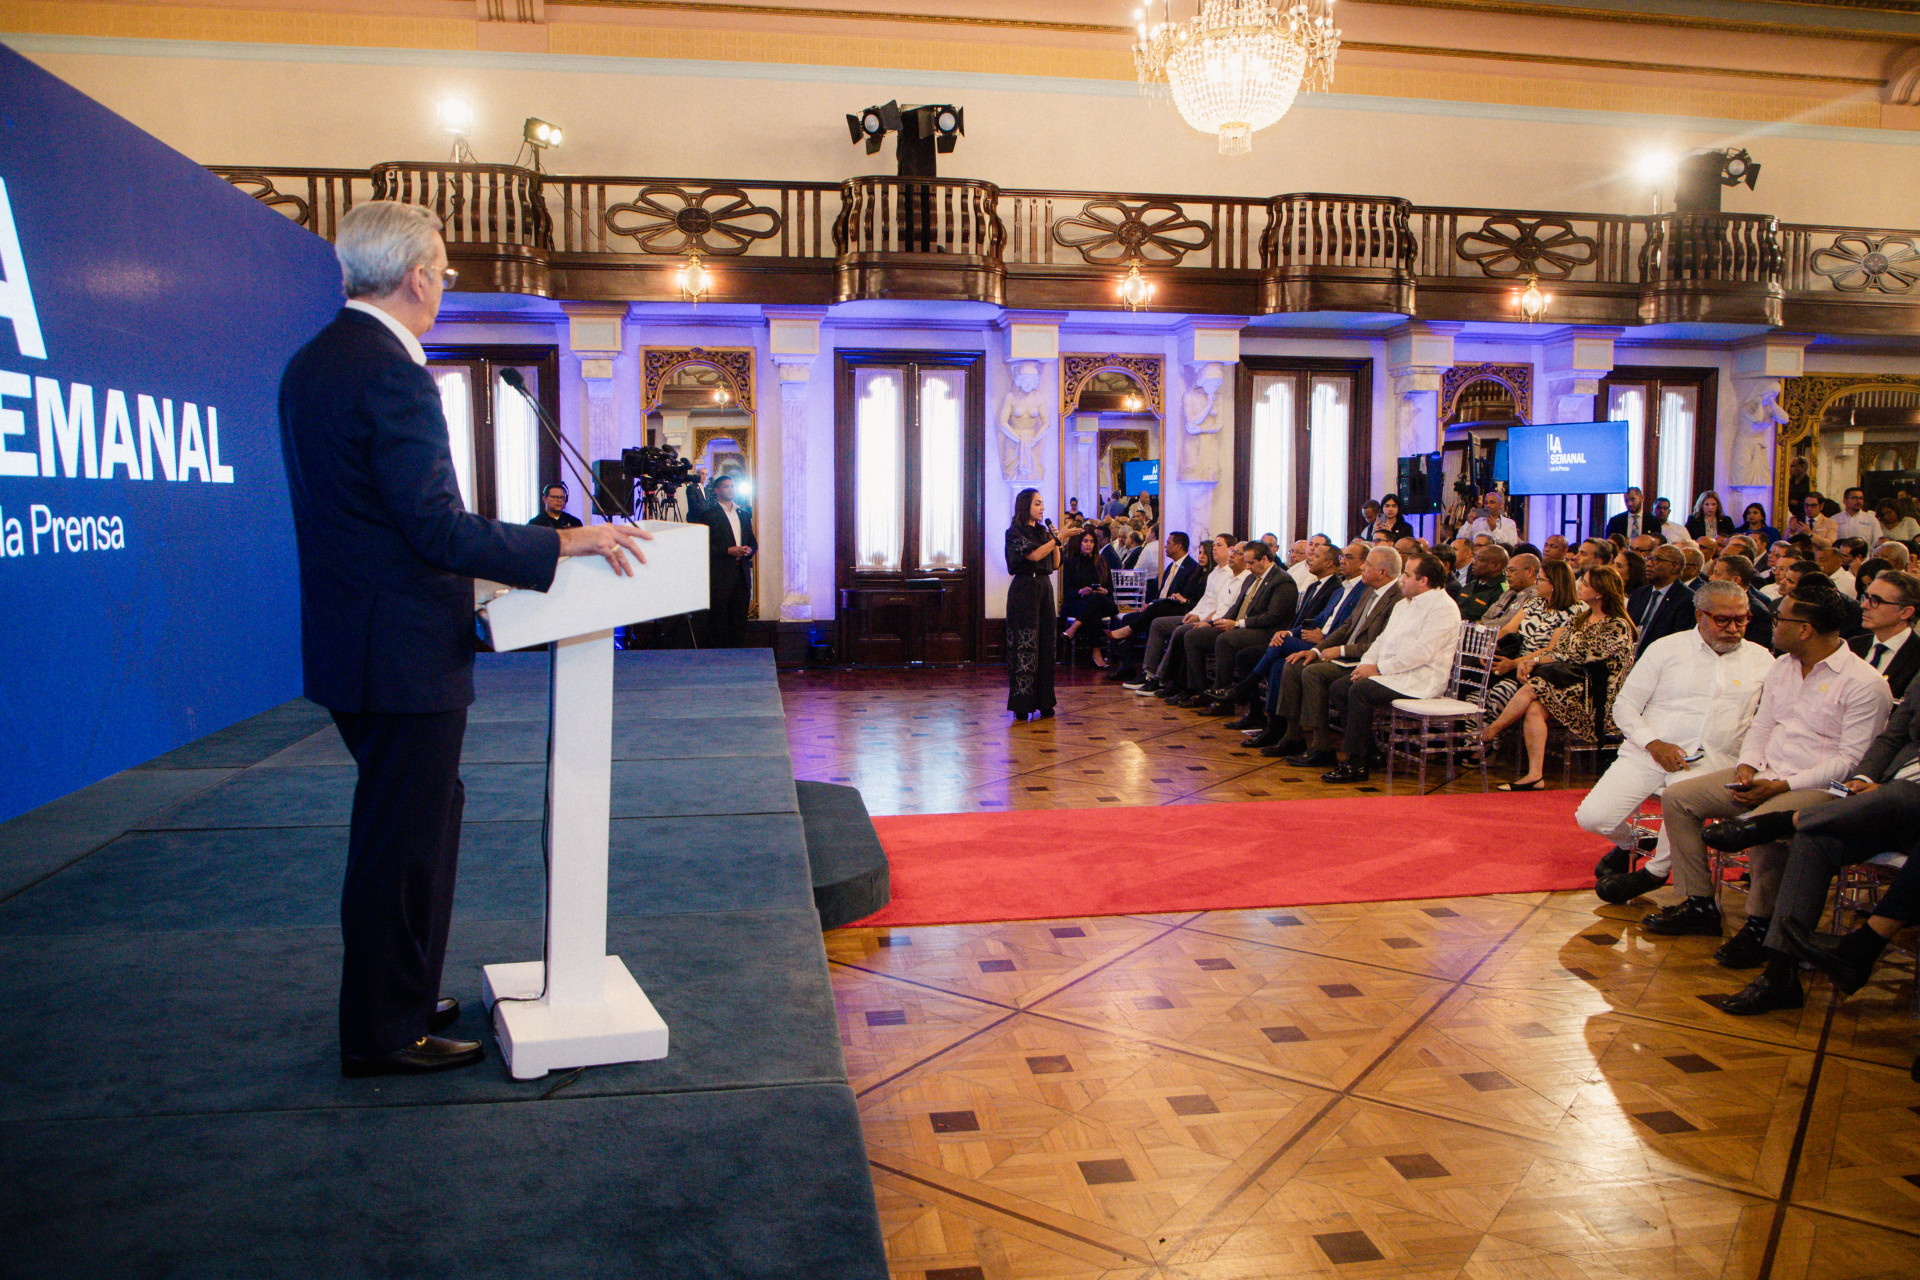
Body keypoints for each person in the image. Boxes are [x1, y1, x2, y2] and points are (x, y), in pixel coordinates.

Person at [279, 202, 649, 1078]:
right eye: (443, 270)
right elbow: (435, 528)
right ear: (417, 276)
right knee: (403, 844)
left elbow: (376, 523)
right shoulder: (393, 374)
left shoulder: (313, 362)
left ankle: (400, 997)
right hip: (402, 653)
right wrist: (565, 541)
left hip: (353, 643)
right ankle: (384, 1033)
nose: (443, 284)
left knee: (412, 825)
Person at [1641, 583, 1892, 958]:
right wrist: (1748, 765)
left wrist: (1781, 785)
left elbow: (1851, 762)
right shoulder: (1783, 666)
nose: (1768, 623)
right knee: (1678, 797)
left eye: (1778, 618)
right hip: (1769, 773)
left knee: (1762, 824)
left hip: (1824, 788)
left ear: (1804, 629)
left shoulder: (1863, 683)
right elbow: (1763, 724)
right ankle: (1699, 904)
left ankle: (1760, 925)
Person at [1697, 671, 1920, 1015]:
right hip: (1889, 805)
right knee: (1816, 838)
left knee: (1901, 794)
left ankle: (1778, 822)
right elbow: (1893, 737)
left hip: (1905, 802)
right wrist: (1863, 778)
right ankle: (1779, 976)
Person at [1585, 580, 1774, 904]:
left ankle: (1654, 873)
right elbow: (1624, 706)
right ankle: (1634, 842)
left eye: (1741, 619)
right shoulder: (1666, 649)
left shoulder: (1762, 659)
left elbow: (1769, 719)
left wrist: (1751, 761)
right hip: (1648, 752)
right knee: (1593, 818)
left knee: (1682, 804)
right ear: (1700, 615)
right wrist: (1653, 743)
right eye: (1723, 620)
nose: (1733, 629)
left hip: (1713, 761)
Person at [1480, 565, 1637, 791]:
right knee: (1534, 708)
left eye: (1585, 584)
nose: (1579, 586)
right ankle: (1535, 776)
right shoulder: (1582, 619)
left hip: (1597, 693)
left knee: (1535, 686)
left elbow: (1581, 656)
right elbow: (1559, 651)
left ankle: (1492, 730)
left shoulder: (1617, 625)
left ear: (1600, 592)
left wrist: (1534, 662)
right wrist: (1531, 661)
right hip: (1571, 684)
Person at [1320, 552, 1462, 784]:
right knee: (1340, 687)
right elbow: (1382, 640)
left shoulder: (1442, 608)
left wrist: (1378, 669)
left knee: (1360, 691)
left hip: (1421, 679)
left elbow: (1422, 653)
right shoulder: (1405, 604)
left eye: (1407, 575)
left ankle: (1356, 764)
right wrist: (1366, 664)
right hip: (1393, 672)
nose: (1402, 579)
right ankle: (1371, 752)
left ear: (1423, 581)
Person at [1255, 546, 1405, 757]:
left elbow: (1379, 644)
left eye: (1368, 564)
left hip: (1365, 661)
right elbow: (1346, 627)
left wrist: (1340, 650)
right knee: (1292, 664)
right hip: (1345, 655)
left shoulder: (1397, 599)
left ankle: (1321, 745)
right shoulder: (1370, 590)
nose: (1363, 567)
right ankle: (1292, 736)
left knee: (1313, 672)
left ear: (1382, 572)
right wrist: (1317, 651)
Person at [1165, 541, 1294, 704]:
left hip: (1266, 632)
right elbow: (1236, 606)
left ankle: (1221, 696)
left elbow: (1273, 617)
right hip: (1242, 626)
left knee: (1225, 640)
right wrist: (1219, 621)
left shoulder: (1282, 581)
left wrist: (1237, 624)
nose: (1248, 567)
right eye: (1246, 562)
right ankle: (1199, 690)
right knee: (1193, 636)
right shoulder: (1252, 578)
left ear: (1264, 559)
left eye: (1251, 563)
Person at [1129, 537, 1246, 695]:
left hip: (1213, 620)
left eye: (1219, 545)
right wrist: (1193, 614)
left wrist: (1205, 619)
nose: (1214, 549)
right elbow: (1205, 599)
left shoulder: (1233, 575)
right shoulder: (1214, 572)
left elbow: (1222, 608)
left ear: (1230, 549)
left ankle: (1164, 680)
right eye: (1213, 545)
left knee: (1182, 632)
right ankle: (1149, 673)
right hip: (1200, 615)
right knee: (1158, 623)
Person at [1481, 558, 1577, 721]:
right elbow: (1508, 629)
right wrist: (1490, 646)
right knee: (1474, 691)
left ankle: (1492, 734)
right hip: (1514, 658)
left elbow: (1552, 649)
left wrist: (1514, 663)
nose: (1536, 582)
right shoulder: (1534, 603)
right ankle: (1474, 733)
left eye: (1541, 579)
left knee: (1498, 695)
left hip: (1540, 667)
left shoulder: (1571, 612)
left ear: (1555, 584)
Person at [1005, 487, 1061, 721]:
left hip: (1044, 588)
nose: (1042, 508)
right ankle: (1022, 703)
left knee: (1047, 643)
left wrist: (1057, 541)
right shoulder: (1014, 532)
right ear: (1025, 505)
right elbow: (1034, 556)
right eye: (1037, 503)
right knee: (1025, 645)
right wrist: (1056, 540)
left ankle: (1045, 701)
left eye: (1042, 503)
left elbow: (1055, 564)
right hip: (1025, 589)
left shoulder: (1043, 532)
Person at [699, 473, 757, 648]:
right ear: (717, 490)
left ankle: (738, 654)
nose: (730, 490)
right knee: (719, 619)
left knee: (739, 619)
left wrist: (749, 550)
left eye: (732, 486)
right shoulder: (709, 515)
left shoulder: (743, 514)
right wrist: (727, 551)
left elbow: (753, 542)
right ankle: (720, 656)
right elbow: (703, 546)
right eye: (726, 486)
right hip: (720, 575)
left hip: (741, 573)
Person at [1849, 569, 1920, 697]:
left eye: (1875, 601)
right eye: (1866, 597)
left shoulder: (1916, 656)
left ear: (1905, 612)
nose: (1864, 605)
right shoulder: (1853, 646)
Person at [1627, 545, 1695, 657]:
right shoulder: (1639, 593)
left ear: (1675, 566)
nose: (1649, 564)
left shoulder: (1687, 599)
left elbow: (1678, 641)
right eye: (1648, 559)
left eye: (1656, 560)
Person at [1705, 553, 1774, 650]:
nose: (1711, 578)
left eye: (1717, 574)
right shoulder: (1708, 601)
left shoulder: (1759, 613)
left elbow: (1755, 651)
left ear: (1735, 580)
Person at [1059, 530, 1116, 647]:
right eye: (1085, 541)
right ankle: (1096, 651)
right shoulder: (1071, 562)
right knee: (1094, 611)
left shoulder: (1102, 561)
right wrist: (1080, 591)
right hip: (1079, 602)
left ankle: (1073, 628)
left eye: (1092, 541)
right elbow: (1067, 591)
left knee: (1096, 598)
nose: (1088, 544)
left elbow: (1110, 589)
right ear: (1080, 543)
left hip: (1102, 601)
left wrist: (1105, 591)